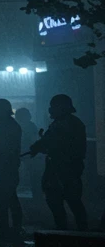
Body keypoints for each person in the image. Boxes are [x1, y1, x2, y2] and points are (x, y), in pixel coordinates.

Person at [28, 94, 89, 231]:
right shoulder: (65, 123)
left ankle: (72, 231)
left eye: (53, 107)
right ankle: (69, 230)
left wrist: (40, 146)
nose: (50, 110)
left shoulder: (67, 124)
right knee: (63, 201)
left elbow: (57, 143)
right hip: (62, 168)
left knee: (68, 201)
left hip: (65, 169)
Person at [0, 99, 24, 240]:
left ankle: (11, 226)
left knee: (7, 197)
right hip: (4, 167)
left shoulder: (6, 127)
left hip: (4, 167)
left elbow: (1, 149)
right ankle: (8, 225)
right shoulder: (9, 125)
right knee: (5, 197)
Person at [15, 107, 43, 205]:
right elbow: (34, 140)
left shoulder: (19, 126)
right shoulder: (31, 126)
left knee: (32, 175)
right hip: (29, 154)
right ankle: (37, 198)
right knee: (34, 176)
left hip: (25, 154)